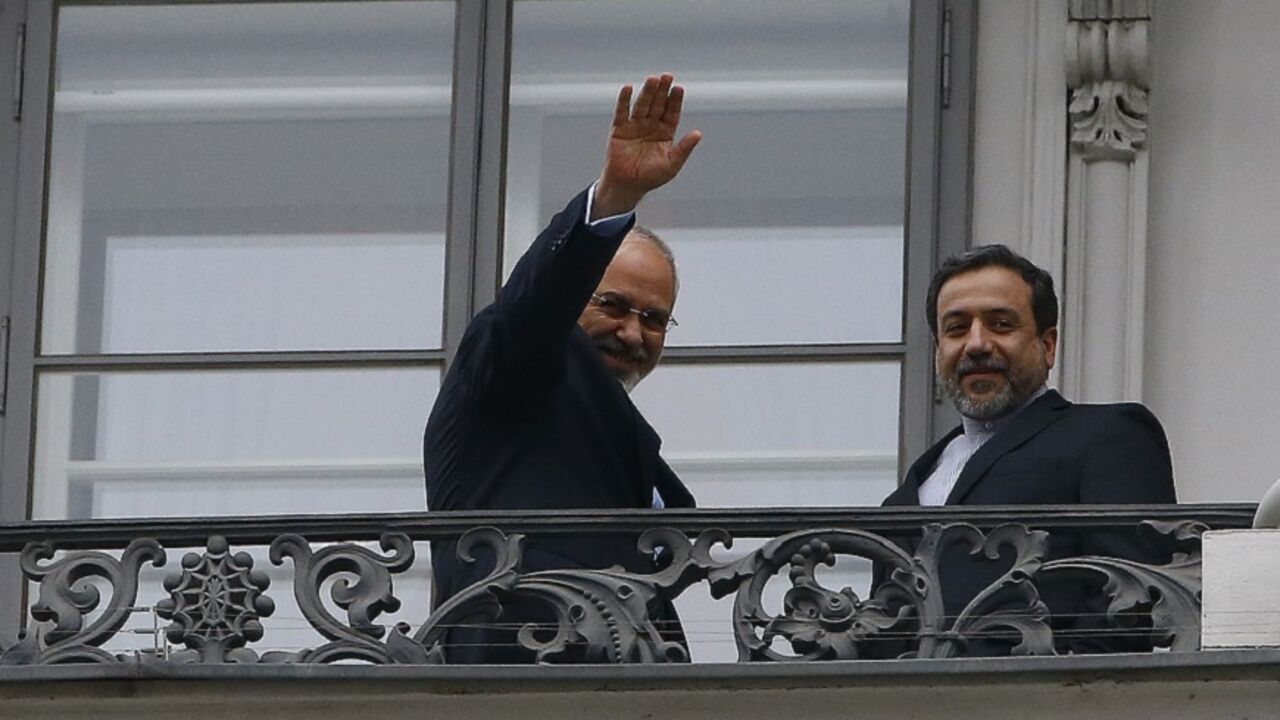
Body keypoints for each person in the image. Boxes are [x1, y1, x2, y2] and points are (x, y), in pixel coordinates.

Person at [423, 74, 701, 663]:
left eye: (655, 318)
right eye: (613, 305)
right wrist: (614, 201)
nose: (633, 332)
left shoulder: (634, 451)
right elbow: (531, 307)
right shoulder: (513, 365)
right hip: (514, 679)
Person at [879, 244, 1176, 654]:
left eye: (1001, 324)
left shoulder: (1109, 435)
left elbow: (1134, 601)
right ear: (938, 351)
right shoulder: (901, 499)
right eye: (957, 328)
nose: (976, 343)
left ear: (1047, 345)